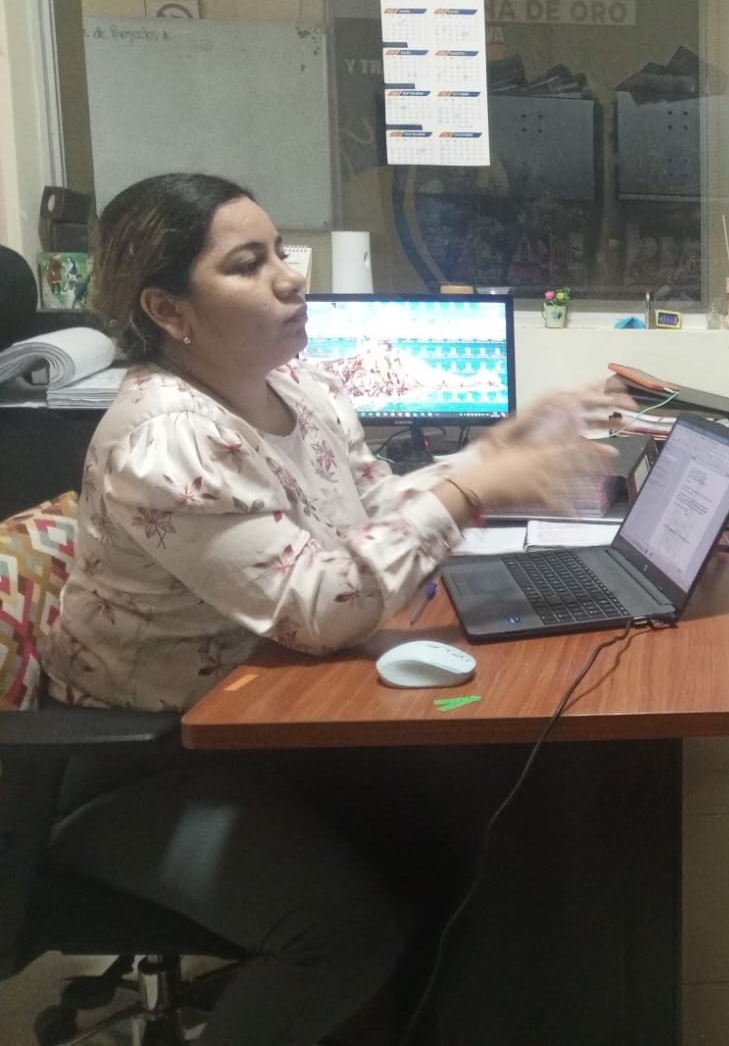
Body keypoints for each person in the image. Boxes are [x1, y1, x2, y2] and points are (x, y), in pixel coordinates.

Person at [39, 172, 628, 1046]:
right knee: (341, 938)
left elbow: (370, 505)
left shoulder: (298, 389)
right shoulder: (168, 440)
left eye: (281, 250)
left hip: (262, 722)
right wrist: (472, 492)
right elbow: (317, 607)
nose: (290, 276)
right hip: (143, 761)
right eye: (248, 264)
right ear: (167, 309)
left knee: (452, 841)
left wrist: (495, 452)